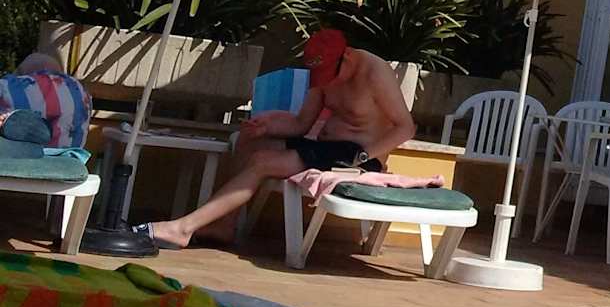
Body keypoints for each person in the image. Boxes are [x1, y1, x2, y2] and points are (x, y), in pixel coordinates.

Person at [136, 29, 415, 250]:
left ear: (348, 56)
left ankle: (183, 229)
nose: (327, 82)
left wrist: (362, 156)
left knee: (263, 162)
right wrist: (266, 125)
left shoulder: (375, 73)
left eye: (332, 74)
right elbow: (301, 124)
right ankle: (224, 225)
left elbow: (405, 128)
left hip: (358, 156)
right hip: (324, 149)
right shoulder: (323, 73)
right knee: (248, 142)